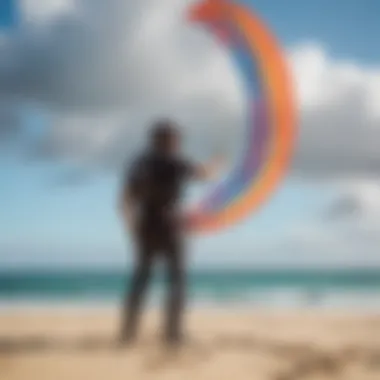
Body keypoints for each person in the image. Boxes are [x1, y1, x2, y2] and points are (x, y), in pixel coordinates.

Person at [119, 119, 222, 346]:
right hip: (171, 226)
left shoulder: (139, 163)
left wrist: (131, 226)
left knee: (141, 279)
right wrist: (217, 162)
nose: (178, 143)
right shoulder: (175, 162)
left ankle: (128, 333)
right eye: (175, 139)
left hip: (145, 225)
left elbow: (125, 198)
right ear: (167, 140)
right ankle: (172, 334)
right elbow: (204, 174)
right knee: (176, 280)